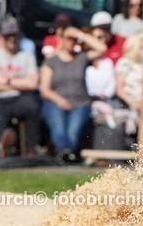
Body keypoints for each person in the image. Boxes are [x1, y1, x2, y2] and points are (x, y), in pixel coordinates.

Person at [39, 25, 107, 163]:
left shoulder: (81, 58)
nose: (72, 42)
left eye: (74, 39)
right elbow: (44, 89)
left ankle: (66, 154)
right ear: (62, 40)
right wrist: (59, 100)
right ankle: (64, 153)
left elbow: (102, 48)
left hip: (80, 103)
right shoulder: (51, 61)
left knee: (72, 132)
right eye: (69, 38)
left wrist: (80, 34)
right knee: (58, 128)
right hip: (55, 102)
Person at [0, 20, 40, 158]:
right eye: (8, 36)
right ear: (2, 37)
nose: (12, 39)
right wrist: (20, 82)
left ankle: (31, 148)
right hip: (0, 99)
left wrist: (6, 81)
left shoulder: (27, 56)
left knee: (32, 107)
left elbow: (32, 84)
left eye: (14, 36)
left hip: (21, 97)